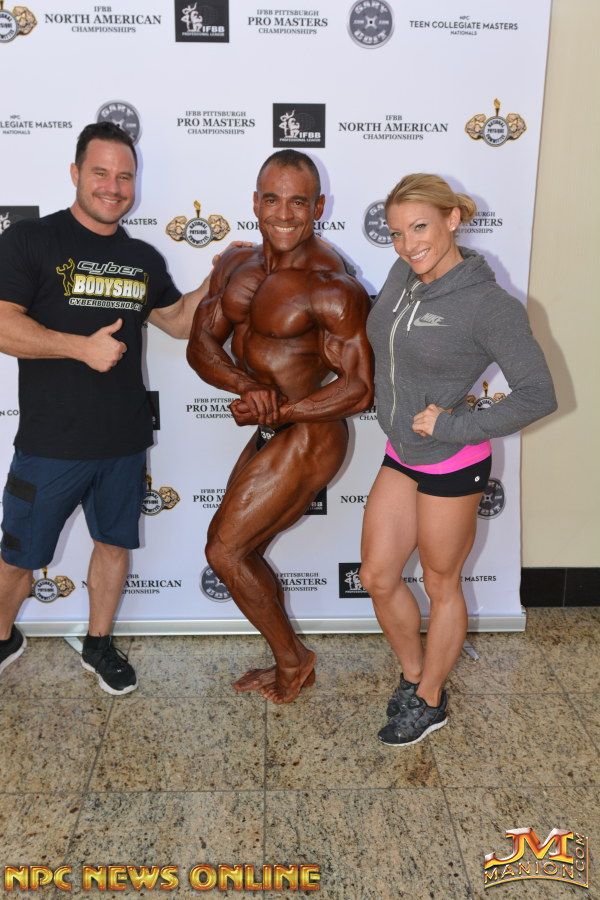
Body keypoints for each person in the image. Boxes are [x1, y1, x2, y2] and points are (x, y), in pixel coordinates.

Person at [0, 122, 220, 695]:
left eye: (125, 176)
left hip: (122, 440)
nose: (113, 186)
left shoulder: (140, 256)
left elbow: (177, 322)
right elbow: (3, 324)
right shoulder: (31, 240)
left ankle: (98, 642)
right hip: (49, 443)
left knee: (113, 545)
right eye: (100, 173)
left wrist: (217, 279)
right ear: (76, 174)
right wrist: (80, 348)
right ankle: (2, 637)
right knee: (18, 558)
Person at [359, 173, 556, 747]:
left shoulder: (490, 306)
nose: (407, 244)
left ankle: (430, 699)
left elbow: (538, 395)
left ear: (453, 219)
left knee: (441, 582)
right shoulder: (403, 275)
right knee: (377, 575)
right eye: (397, 233)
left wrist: (453, 425)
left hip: (452, 458)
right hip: (402, 451)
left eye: (420, 227)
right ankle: (413, 673)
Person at [187, 149, 373, 704]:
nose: (284, 214)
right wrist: (247, 388)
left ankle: (293, 662)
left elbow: (359, 389)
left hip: (312, 434)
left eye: (298, 202)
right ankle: (292, 659)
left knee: (224, 552)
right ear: (255, 202)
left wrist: (281, 411)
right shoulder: (235, 266)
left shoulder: (330, 284)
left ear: (319, 206)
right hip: (273, 426)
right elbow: (201, 345)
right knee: (237, 550)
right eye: (273, 199)